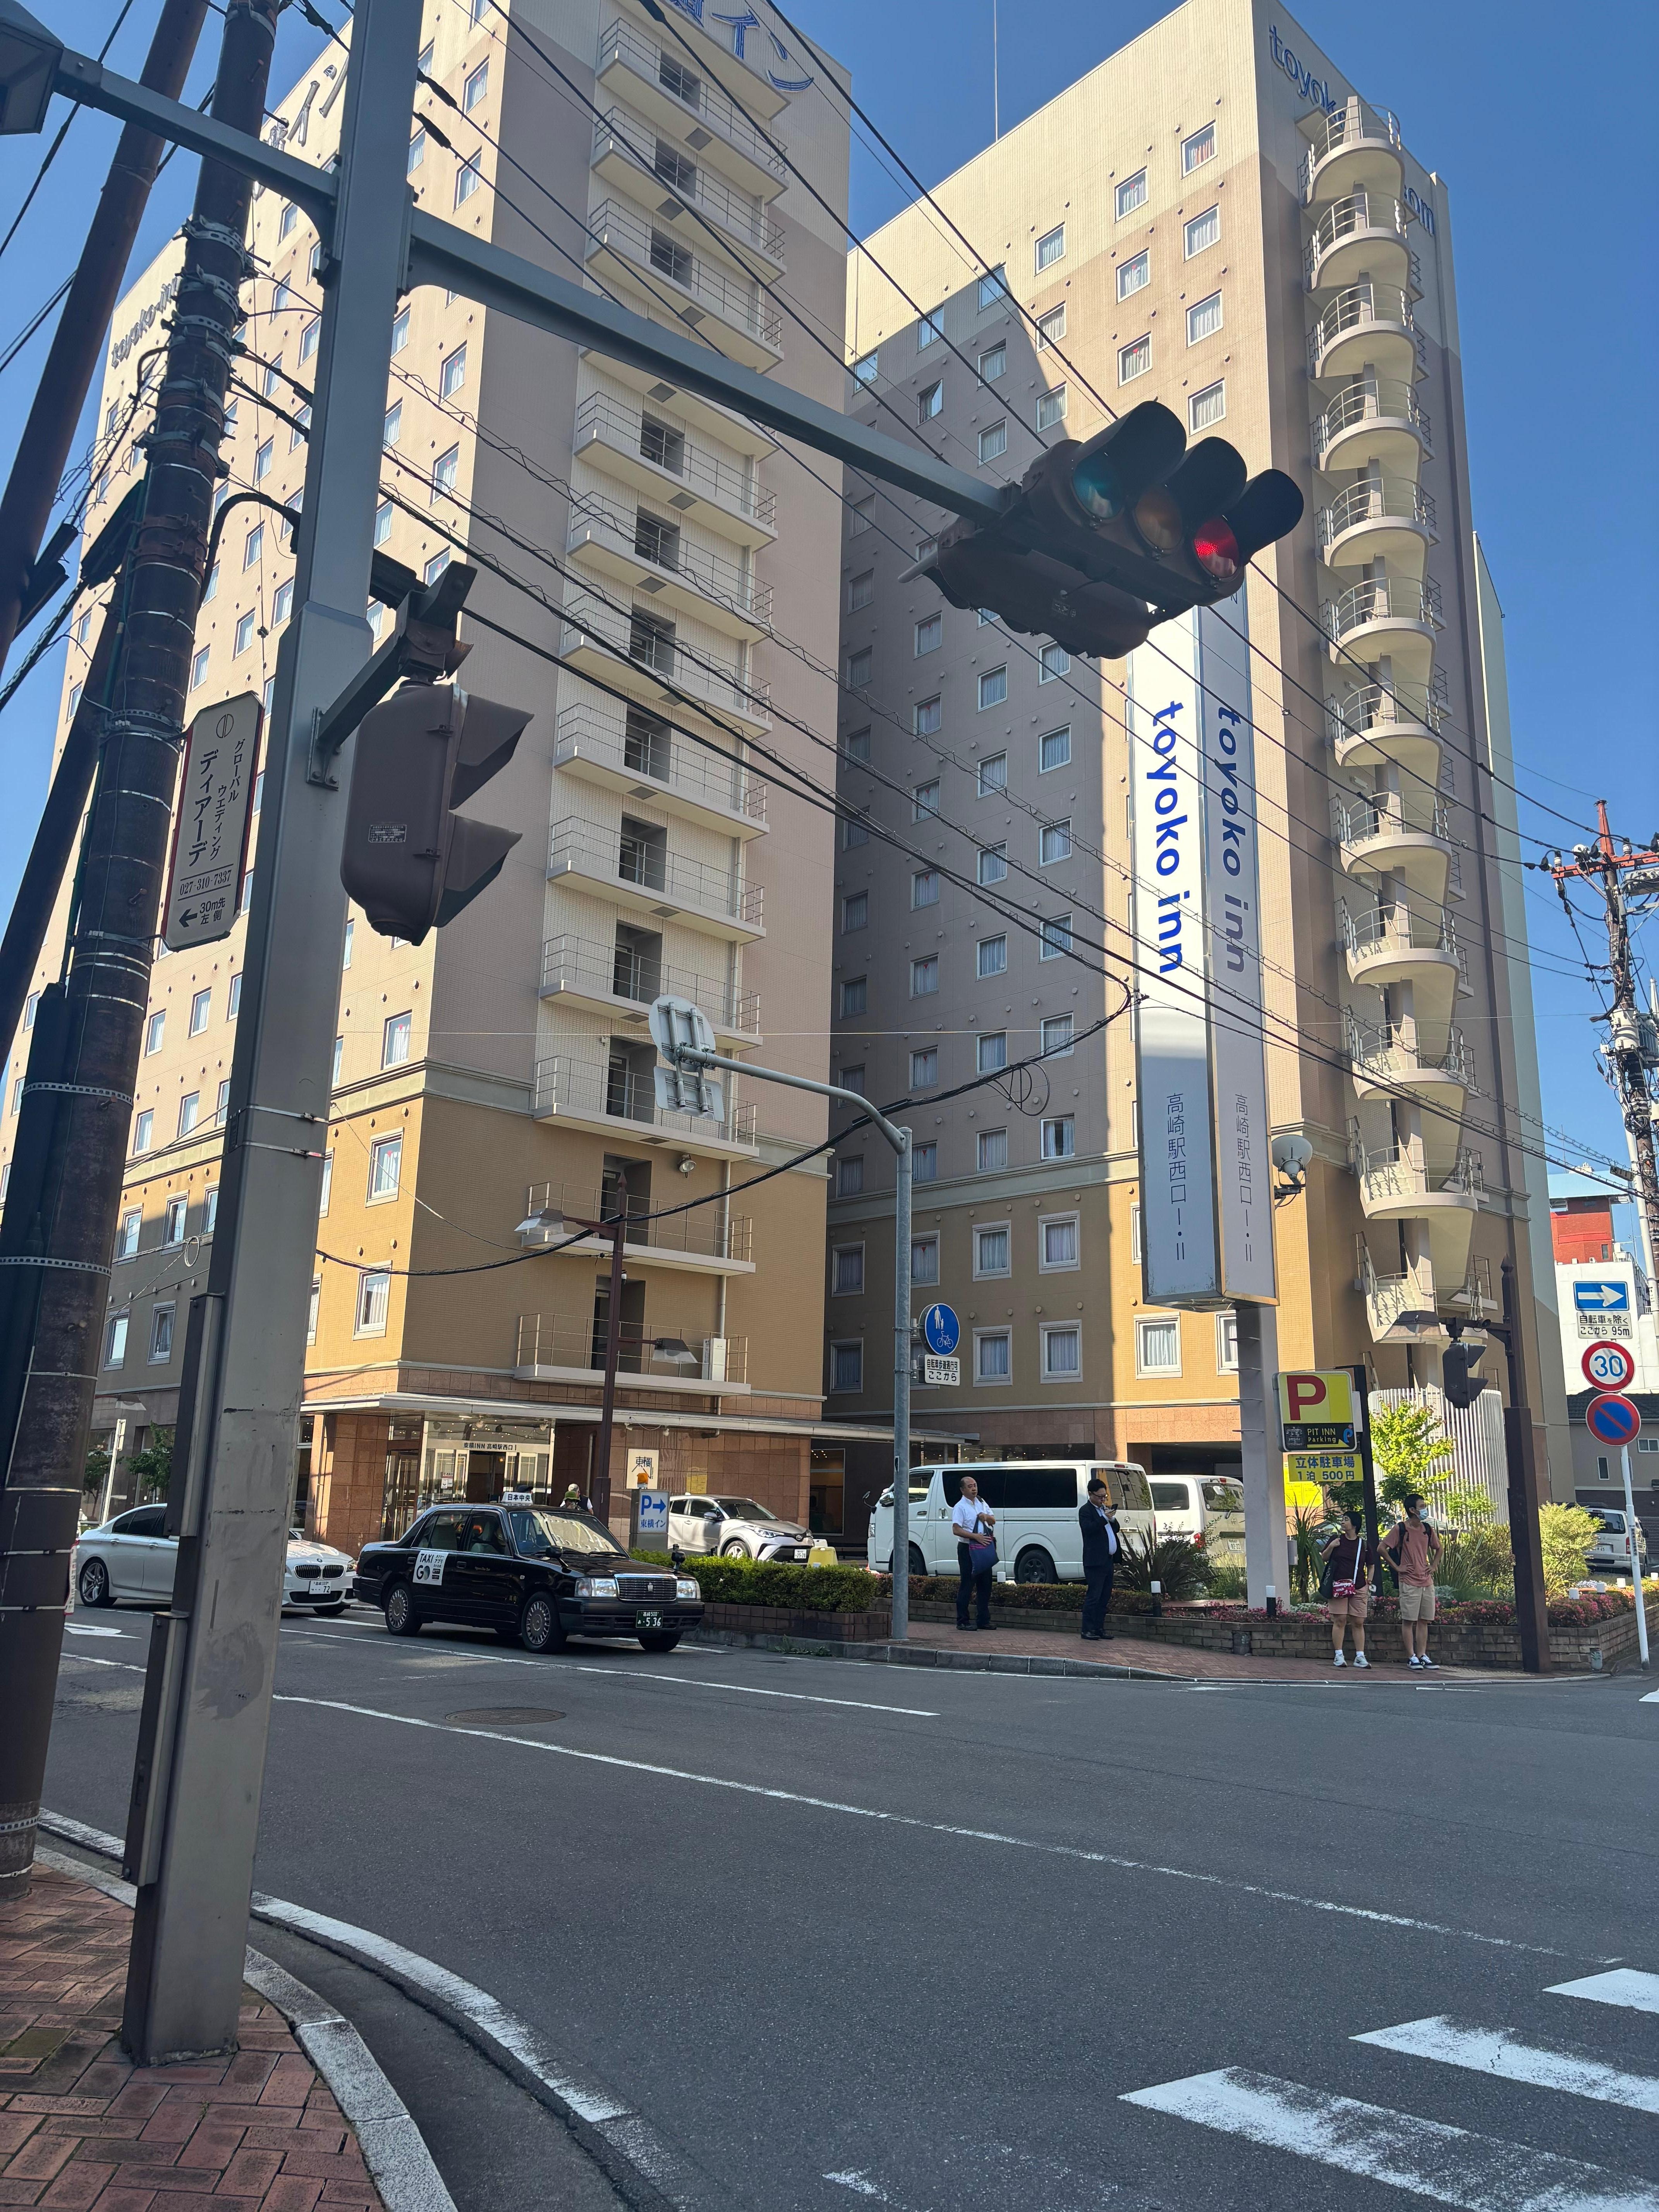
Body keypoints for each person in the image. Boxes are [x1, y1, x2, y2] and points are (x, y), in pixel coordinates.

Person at [1384, 1493, 1442, 1669]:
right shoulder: (1400, 1529)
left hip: (1426, 1581)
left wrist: (1434, 1566)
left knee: (1425, 1620)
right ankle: (1411, 1656)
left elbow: (1439, 1548)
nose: (1425, 1510)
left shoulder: (1427, 1529)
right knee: (1409, 1620)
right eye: (1422, 1507)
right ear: (1412, 1510)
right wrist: (1398, 1567)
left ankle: (1422, 1655)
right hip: (1408, 1580)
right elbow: (1382, 1548)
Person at [1318, 1509, 1372, 1669]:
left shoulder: (1363, 1544)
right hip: (1339, 1586)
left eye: (1346, 1519)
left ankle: (1360, 1656)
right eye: (1343, 1519)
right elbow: (1324, 1557)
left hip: (1359, 1586)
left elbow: (1371, 1564)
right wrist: (1331, 1546)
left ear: (1355, 1524)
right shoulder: (1336, 1540)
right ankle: (1339, 1655)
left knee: (1358, 1621)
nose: (1343, 1522)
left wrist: (1369, 1581)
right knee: (1340, 1619)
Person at [952, 1474, 996, 1630]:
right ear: (963, 1490)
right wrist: (975, 1536)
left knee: (986, 1585)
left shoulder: (982, 1502)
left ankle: (983, 1620)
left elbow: (993, 1520)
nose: (974, 1489)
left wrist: (986, 1517)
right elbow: (956, 1530)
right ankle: (962, 1621)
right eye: (970, 1487)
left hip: (984, 1547)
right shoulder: (960, 1507)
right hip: (968, 1549)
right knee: (968, 1584)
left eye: (975, 1485)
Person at [1079, 1476, 1120, 1641]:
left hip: (1108, 1560)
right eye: (1100, 1497)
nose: (1103, 1500)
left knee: (1105, 1597)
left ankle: (1099, 1628)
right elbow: (1088, 1529)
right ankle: (1087, 1630)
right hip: (1095, 1561)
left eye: (1105, 1496)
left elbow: (1116, 1529)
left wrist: (1112, 1519)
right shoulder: (1085, 1511)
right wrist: (1104, 1519)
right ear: (1091, 1494)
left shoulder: (1105, 1510)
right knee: (1094, 1596)